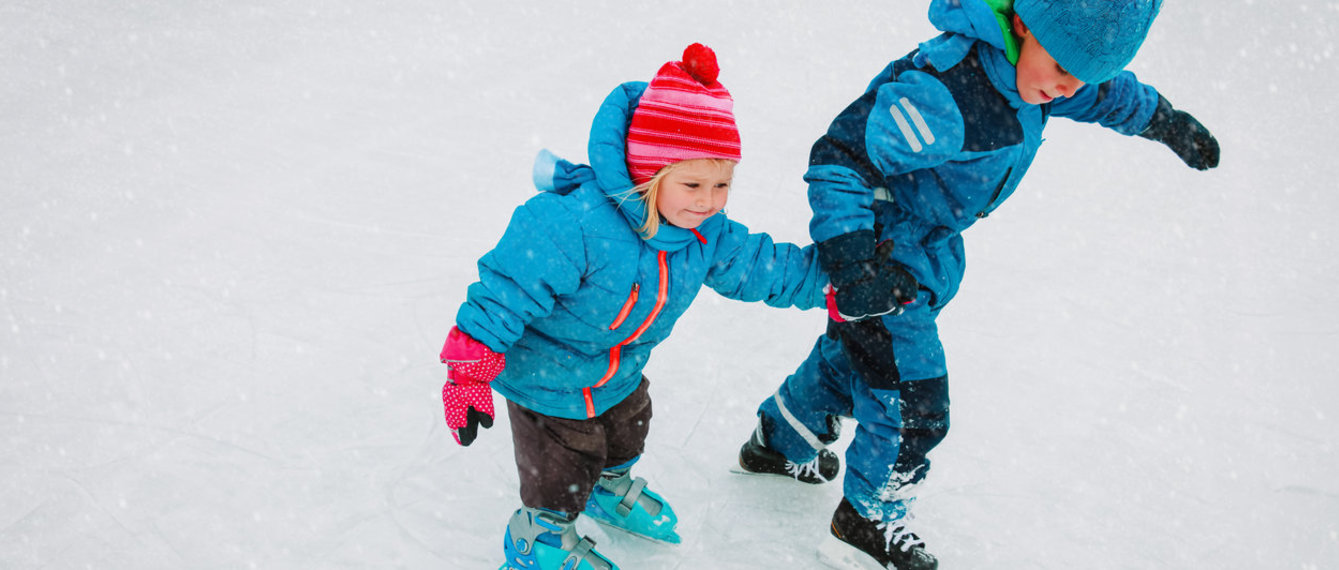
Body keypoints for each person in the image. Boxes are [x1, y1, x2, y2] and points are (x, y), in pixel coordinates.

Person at [733, 1, 1221, 568]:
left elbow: (1106, 96)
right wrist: (855, 261)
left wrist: (1165, 121)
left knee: (862, 356)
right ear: (1022, 22)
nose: (1067, 88)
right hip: (887, 255)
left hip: (924, 248)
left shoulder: (1042, 69)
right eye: (1064, 67)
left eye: (1083, 75)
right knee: (912, 397)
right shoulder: (948, 91)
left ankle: (782, 437)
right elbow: (842, 156)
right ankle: (868, 520)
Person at [439, 44, 908, 570]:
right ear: (648, 172)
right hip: (546, 377)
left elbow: (762, 266)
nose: (708, 201)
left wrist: (841, 284)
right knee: (563, 460)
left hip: (616, 369)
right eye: (692, 184)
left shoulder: (702, 232)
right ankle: (538, 539)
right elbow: (504, 292)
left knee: (629, 425)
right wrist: (469, 371)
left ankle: (606, 488)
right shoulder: (574, 225)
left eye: (722, 184)